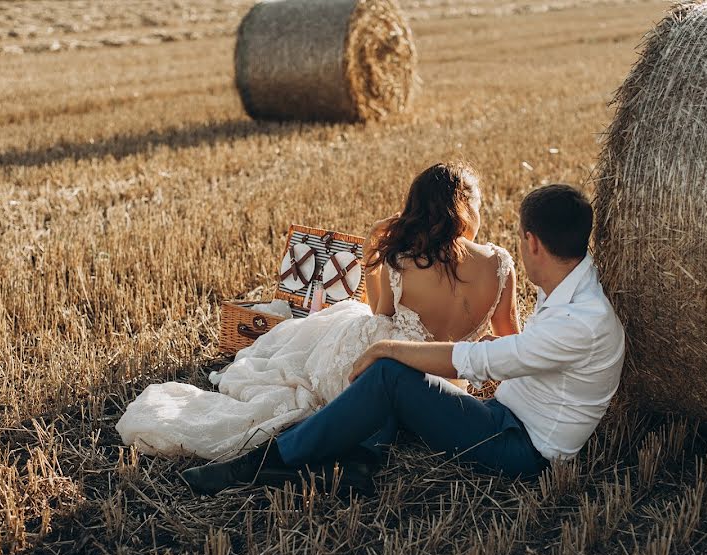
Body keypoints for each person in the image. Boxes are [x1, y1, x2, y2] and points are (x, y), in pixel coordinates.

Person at [181, 184, 626, 496]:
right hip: (505, 417)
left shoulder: (580, 321)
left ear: (531, 242)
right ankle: (357, 463)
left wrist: (389, 346)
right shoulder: (574, 288)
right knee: (397, 382)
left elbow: (484, 359)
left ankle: (265, 463)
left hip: (521, 450)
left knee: (390, 374)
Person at [116, 162, 519, 462]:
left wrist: (373, 246)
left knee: (336, 327)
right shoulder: (500, 265)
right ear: (466, 209)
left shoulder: (403, 261)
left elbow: (380, 315)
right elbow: (511, 342)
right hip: (444, 382)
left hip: (391, 359)